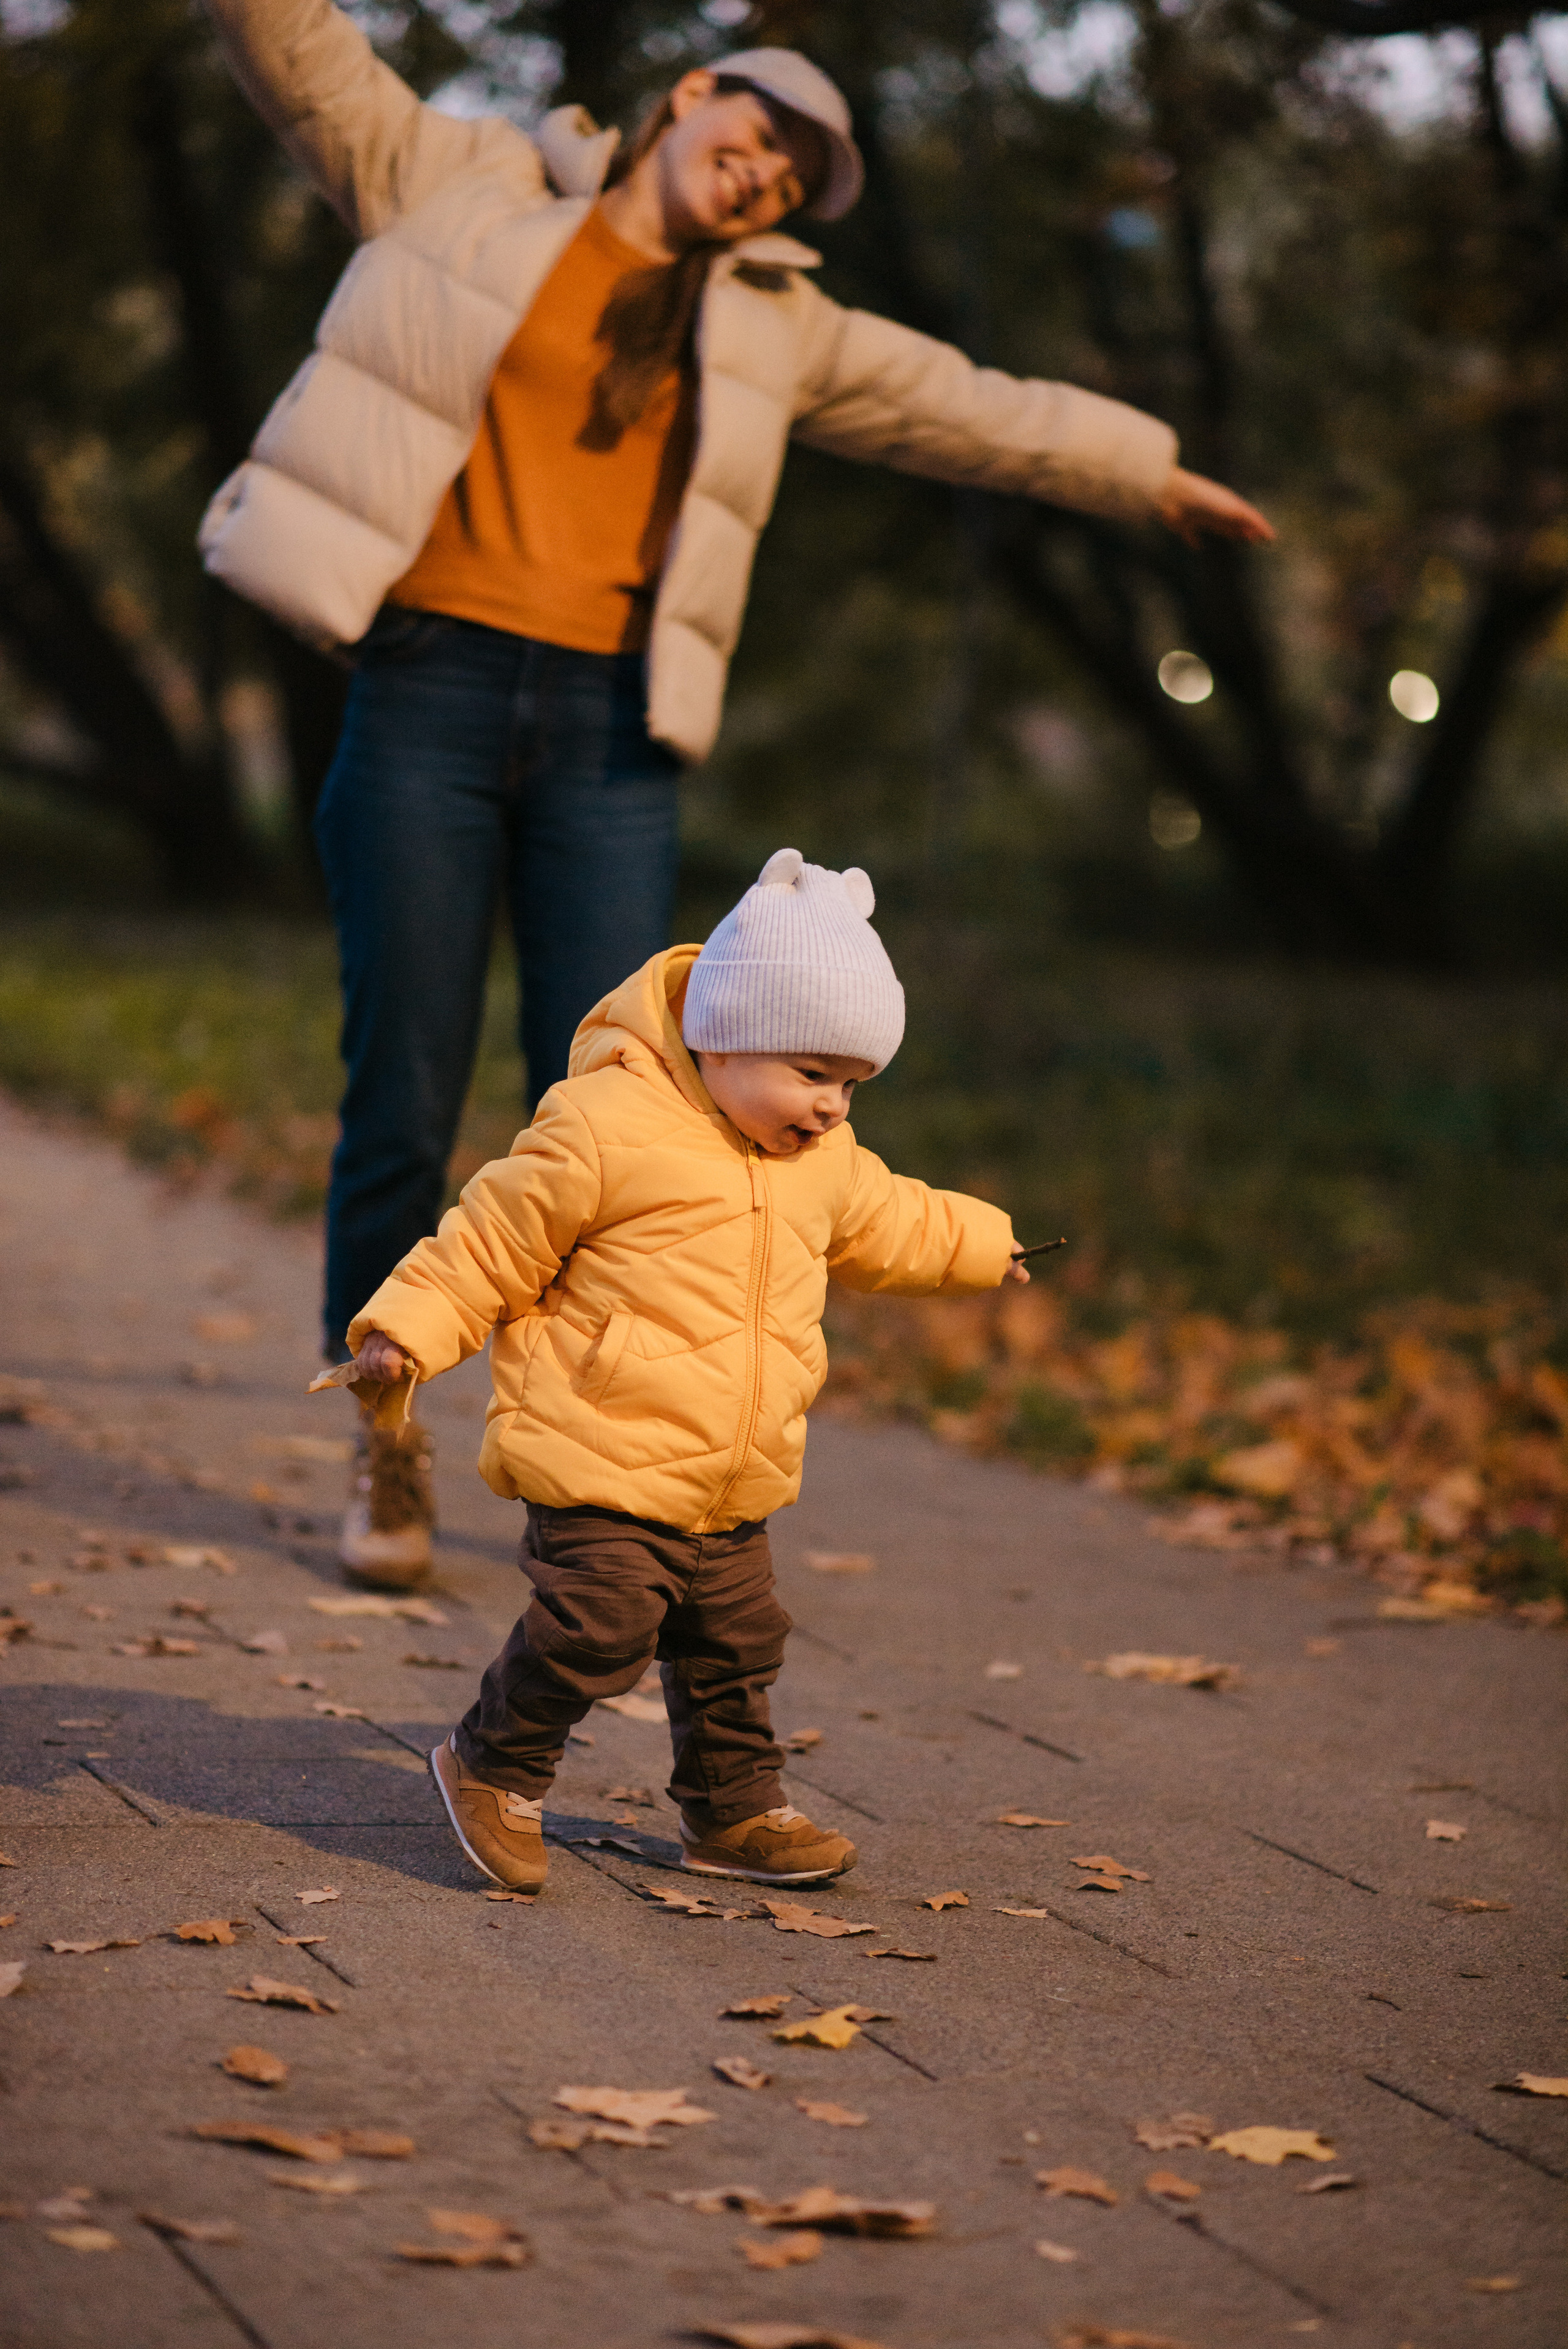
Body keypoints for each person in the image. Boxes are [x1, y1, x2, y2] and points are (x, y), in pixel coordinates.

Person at [200, 1, 1273, 1586]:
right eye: (759, 136)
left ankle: (594, 1486)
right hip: (423, 690)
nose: (765, 176)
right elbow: (299, 56)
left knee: (635, 1122)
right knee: (402, 1096)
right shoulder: (460, 183)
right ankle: (393, 1447)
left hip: (613, 738)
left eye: (795, 177)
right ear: (689, 98)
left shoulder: (774, 322)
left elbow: (969, 404)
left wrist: (1143, 469)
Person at [330, 850, 1030, 1889]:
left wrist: (982, 1243)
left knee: (736, 1646)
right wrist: (407, 1329)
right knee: (600, 1624)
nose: (833, 1105)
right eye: (811, 1073)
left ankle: (733, 1811)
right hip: (599, 1447)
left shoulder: (823, 1161)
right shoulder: (605, 1127)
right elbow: (489, 1240)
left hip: (730, 1473)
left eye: (850, 1082)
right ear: (723, 1037)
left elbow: (897, 1220)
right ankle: (493, 1764)